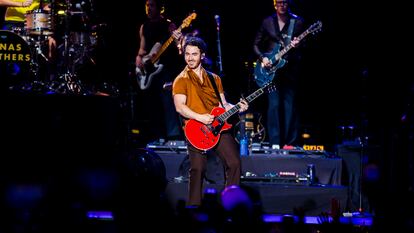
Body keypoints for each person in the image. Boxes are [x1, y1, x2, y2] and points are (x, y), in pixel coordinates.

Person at [172, 36, 249, 206]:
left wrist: (237, 107)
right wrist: (200, 117)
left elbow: (223, 105)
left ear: (202, 55)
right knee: (198, 168)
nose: (190, 58)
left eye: (194, 54)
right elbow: (180, 107)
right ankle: (193, 207)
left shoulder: (215, 79)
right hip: (196, 129)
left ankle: (232, 205)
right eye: (187, 54)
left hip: (218, 126)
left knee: (234, 162)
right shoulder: (181, 80)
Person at [253, 0, 304, 148]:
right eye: (279, 2)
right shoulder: (267, 22)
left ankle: (290, 143)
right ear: (274, 4)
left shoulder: (298, 22)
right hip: (271, 70)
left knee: (290, 106)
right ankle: (274, 143)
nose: (282, 5)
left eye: (284, 2)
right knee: (274, 105)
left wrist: (299, 44)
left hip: (290, 69)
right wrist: (263, 58)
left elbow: (307, 45)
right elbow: (255, 44)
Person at [135, 0, 183, 141]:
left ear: (159, 8)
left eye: (152, 5)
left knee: (168, 102)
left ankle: (173, 135)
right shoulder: (144, 26)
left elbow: (177, 43)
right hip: (149, 70)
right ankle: (157, 135)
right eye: (147, 5)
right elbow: (143, 48)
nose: (148, 8)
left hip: (166, 68)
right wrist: (139, 57)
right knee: (152, 104)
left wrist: (177, 39)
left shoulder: (168, 24)